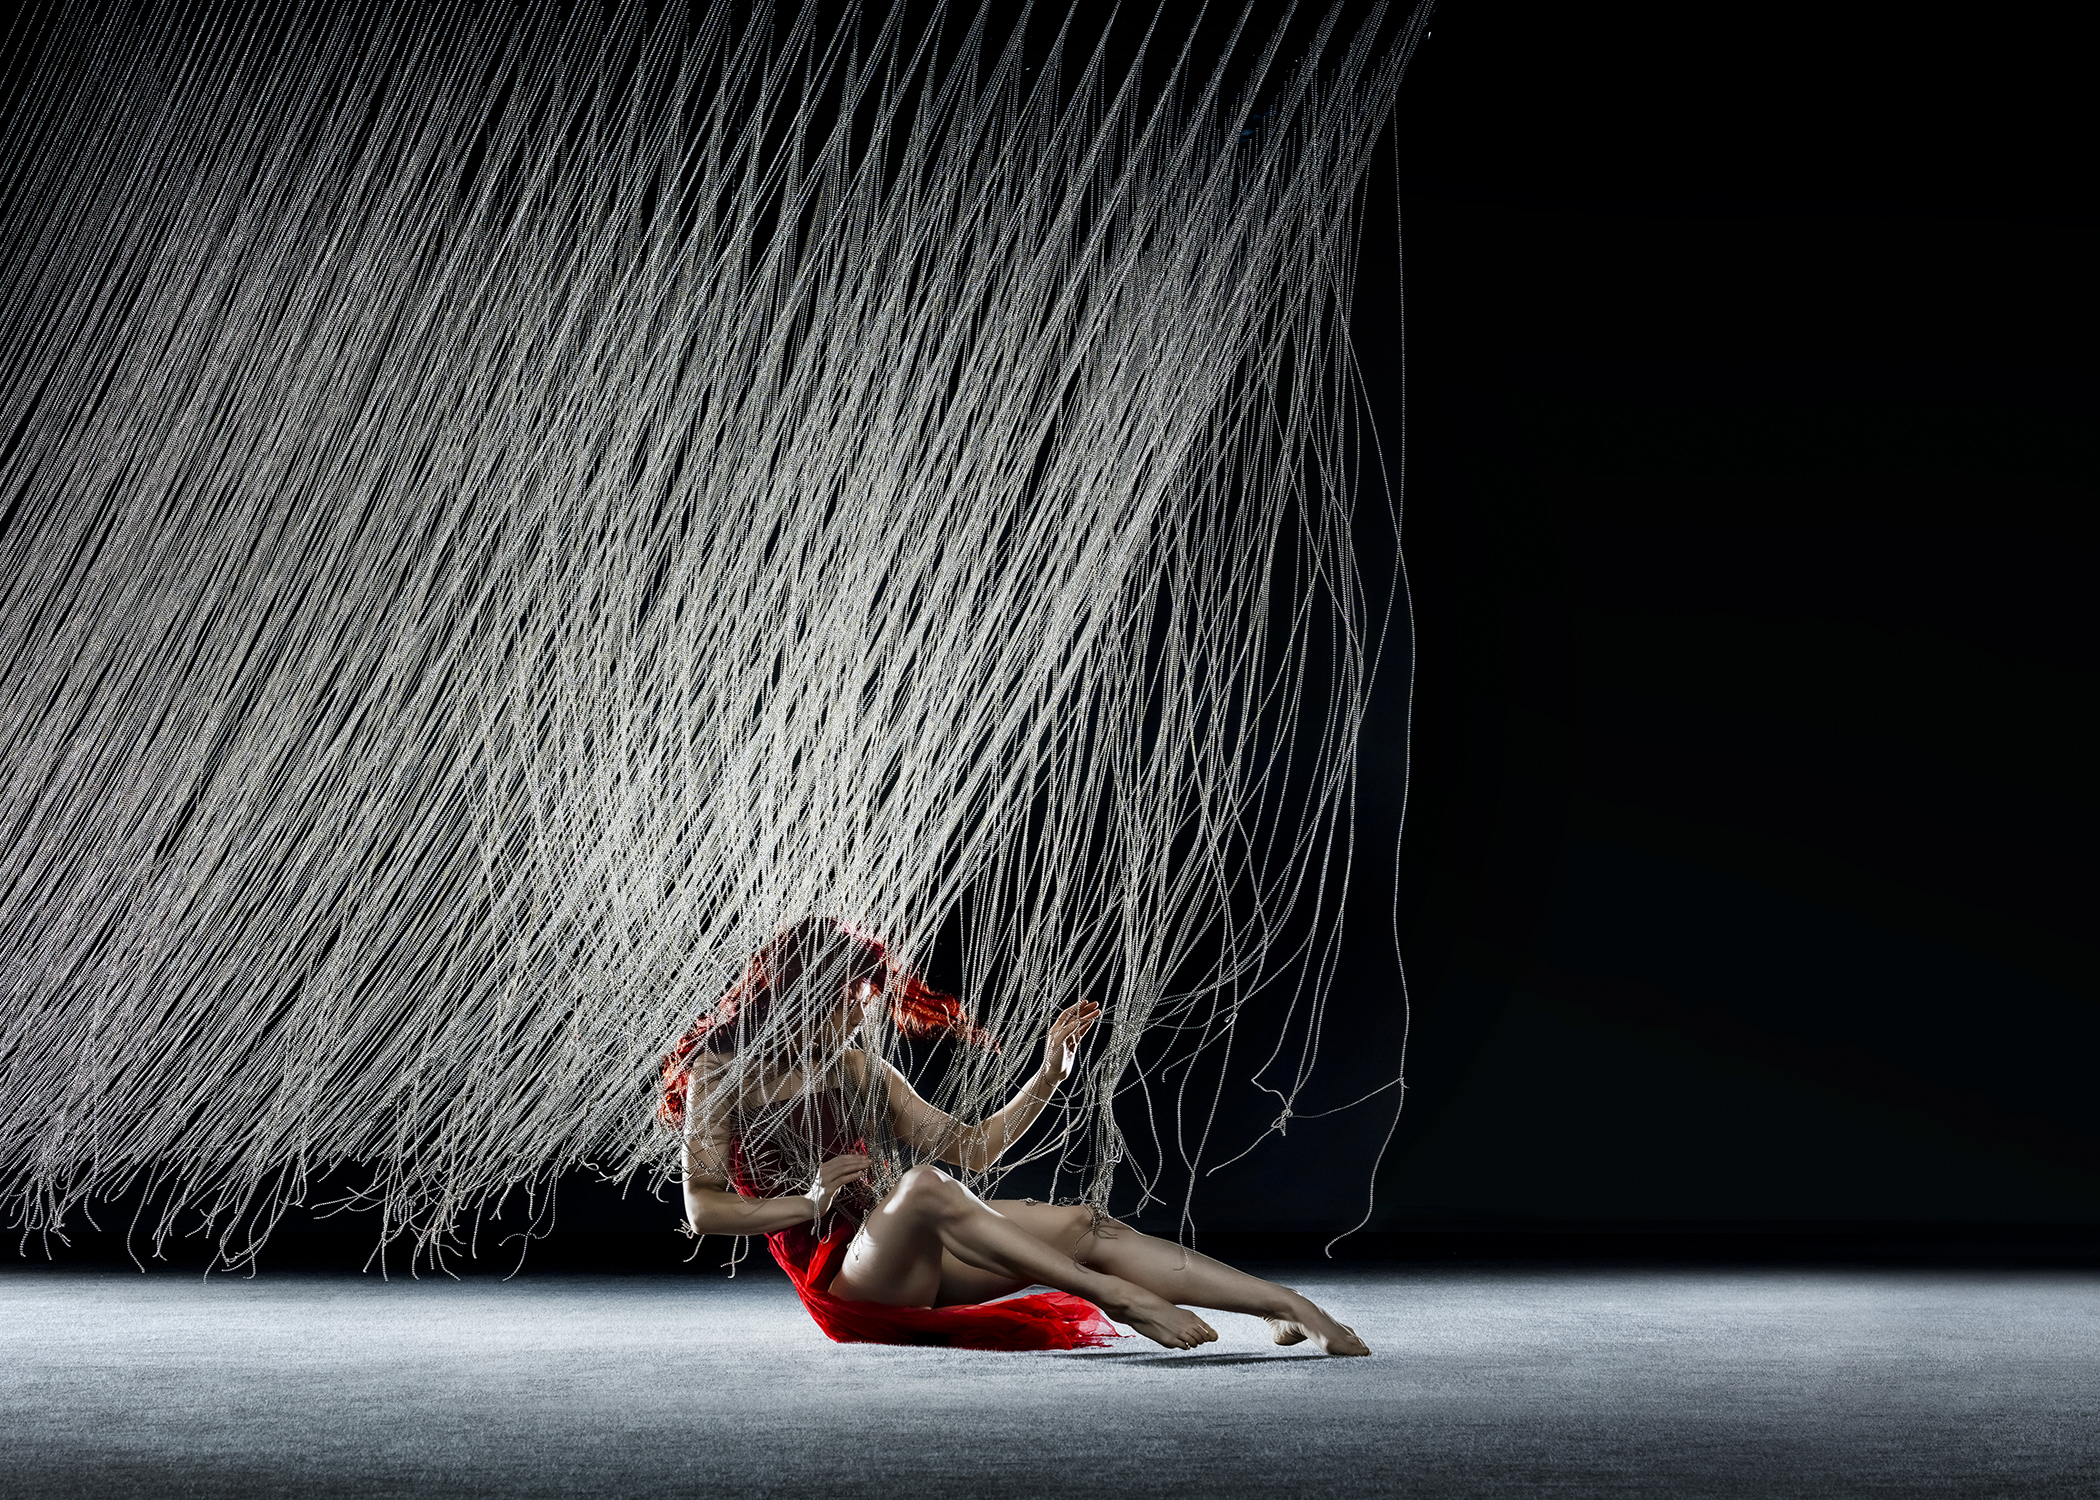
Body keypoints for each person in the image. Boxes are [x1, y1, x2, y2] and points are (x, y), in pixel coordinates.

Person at [661, 918, 1369, 1354]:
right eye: (850, 1003)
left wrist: (1048, 1076)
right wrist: (811, 1202)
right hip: (847, 1283)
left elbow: (972, 1148)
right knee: (922, 1187)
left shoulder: (857, 1067)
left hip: (912, 1253)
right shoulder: (720, 1075)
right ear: (799, 994)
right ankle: (1113, 1296)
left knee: (1088, 1223)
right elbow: (705, 1209)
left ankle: (1288, 1306)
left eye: (867, 1006)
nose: (859, 1021)